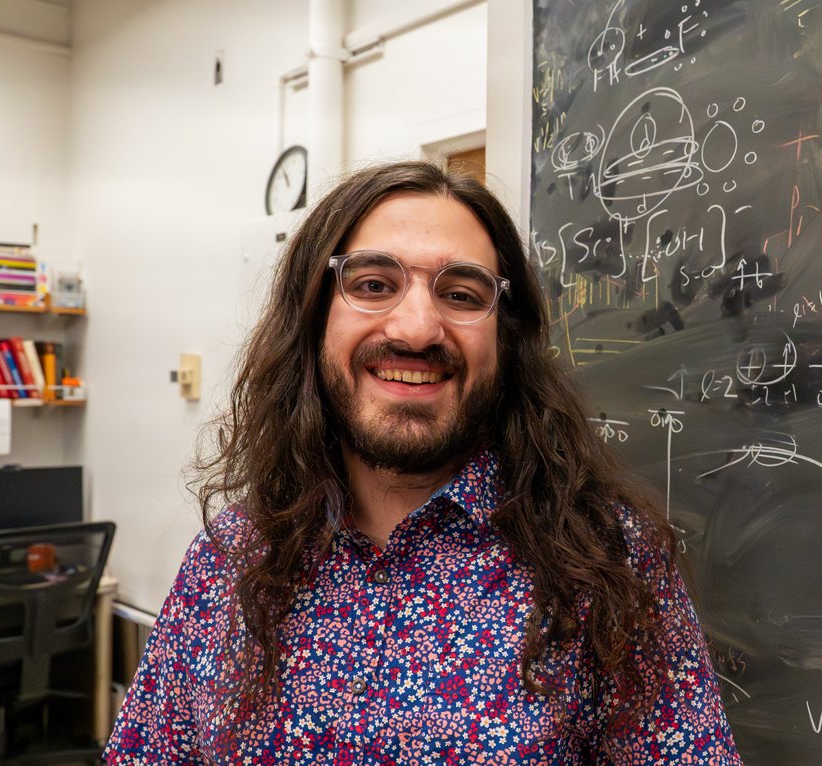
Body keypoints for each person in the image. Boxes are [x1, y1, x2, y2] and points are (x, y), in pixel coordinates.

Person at [103, 161, 742, 764]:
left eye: (462, 295)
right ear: (313, 316)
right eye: (374, 285)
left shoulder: (604, 559)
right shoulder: (230, 559)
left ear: (506, 337)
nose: (416, 329)